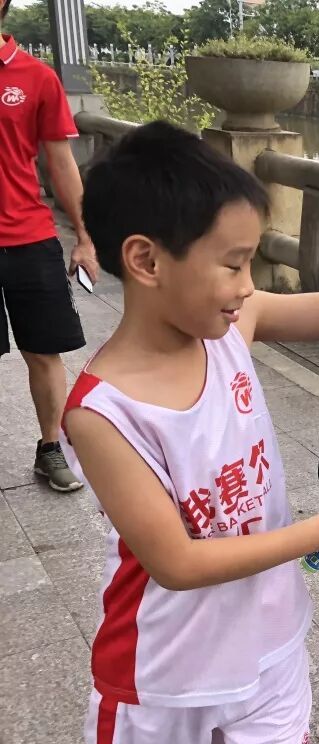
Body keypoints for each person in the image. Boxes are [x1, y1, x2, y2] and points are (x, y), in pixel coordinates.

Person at [62, 121, 319, 744]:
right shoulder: (102, 413)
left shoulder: (236, 326)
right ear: (146, 260)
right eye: (233, 263)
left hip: (268, 644)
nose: (247, 284)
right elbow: (176, 563)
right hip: (162, 672)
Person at [0, 7, 100, 492]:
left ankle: (50, 447)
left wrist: (84, 236)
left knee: (43, 352)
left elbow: (61, 162)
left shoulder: (36, 77)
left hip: (28, 235)